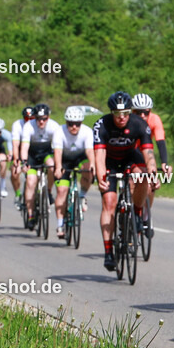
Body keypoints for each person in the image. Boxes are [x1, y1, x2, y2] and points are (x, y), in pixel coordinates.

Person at [92, 91, 158, 271]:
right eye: (117, 114)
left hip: (130, 157)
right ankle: (108, 252)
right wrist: (100, 178)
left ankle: (136, 213)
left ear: (130, 112)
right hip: (109, 161)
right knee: (109, 202)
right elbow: (99, 155)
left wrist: (153, 173)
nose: (121, 118)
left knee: (143, 175)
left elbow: (148, 153)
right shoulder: (101, 125)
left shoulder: (139, 124)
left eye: (125, 114)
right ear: (111, 113)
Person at [52, 106, 95, 239]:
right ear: (66, 122)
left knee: (89, 169)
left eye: (77, 124)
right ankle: (60, 224)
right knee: (61, 191)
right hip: (64, 160)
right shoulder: (59, 131)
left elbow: (89, 151)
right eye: (71, 124)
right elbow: (57, 152)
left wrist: (93, 164)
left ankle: (82, 196)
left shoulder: (87, 132)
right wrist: (58, 167)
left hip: (80, 158)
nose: (74, 127)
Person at [132, 92, 171, 235]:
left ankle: (146, 215)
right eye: (138, 112)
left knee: (151, 184)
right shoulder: (128, 121)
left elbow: (160, 142)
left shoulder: (155, 120)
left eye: (146, 112)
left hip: (146, 153)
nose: (142, 116)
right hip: (131, 153)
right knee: (132, 183)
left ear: (150, 111)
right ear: (132, 111)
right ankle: (128, 214)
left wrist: (165, 163)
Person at [20, 103, 63, 230]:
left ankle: (48, 190)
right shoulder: (28, 126)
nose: (41, 122)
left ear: (48, 118)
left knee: (51, 166)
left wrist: (58, 165)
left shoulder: (54, 126)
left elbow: (58, 148)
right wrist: (24, 161)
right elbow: (24, 146)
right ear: (35, 118)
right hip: (32, 154)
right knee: (31, 182)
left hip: (46, 152)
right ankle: (31, 214)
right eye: (38, 119)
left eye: (44, 118)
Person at [10, 106, 35, 206]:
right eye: (26, 119)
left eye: (31, 119)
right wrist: (16, 159)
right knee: (14, 173)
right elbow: (15, 144)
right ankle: (18, 194)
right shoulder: (17, 125)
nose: (28, 121)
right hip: (20, 149)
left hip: (33, 150)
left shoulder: (36, 125)